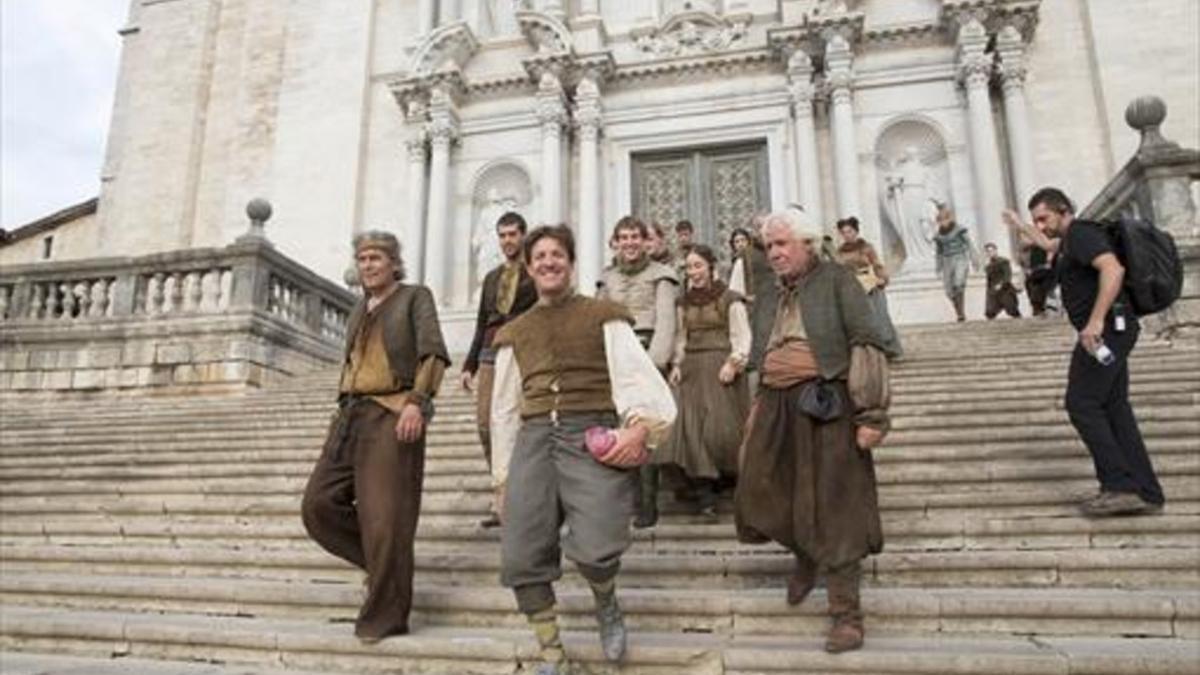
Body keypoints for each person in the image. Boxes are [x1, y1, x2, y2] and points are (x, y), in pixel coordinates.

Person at [490, 224, 677, 674]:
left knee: (597, 545)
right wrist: (501, 478)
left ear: (571, 264)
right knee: (521, 554)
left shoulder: (603, 315)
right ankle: (552, 654)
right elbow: (504, 409)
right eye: (540, 258)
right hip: (534, 441)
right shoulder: (515, 333)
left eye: (557, 255)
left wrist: (639, 428)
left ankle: (606, 600)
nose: (549, 263)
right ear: (530, 268)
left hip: (588, 433)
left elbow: (634, 375)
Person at [735, 208, 890, 654]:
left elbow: (866, 340)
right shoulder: (766, 292)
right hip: (775, 401)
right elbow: (759, 354)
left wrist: (873, 415)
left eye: (783, 244)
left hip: (828, 402)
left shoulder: (838, 279)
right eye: (770, 246)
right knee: (764, 487)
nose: (775, 253)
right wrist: (756, 406)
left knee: (837, 504)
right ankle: (805, 551)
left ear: (807, 243)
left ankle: (846, 614)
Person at [301, 231, 450, 643]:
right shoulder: (357, 308)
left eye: (376, 258)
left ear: (393, 263)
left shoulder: (414, 297)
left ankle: (385, 615)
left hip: (393, 411)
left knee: (385, 519)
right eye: (363, 258)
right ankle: (388, 571)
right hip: (350, 414)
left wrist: (418, 401)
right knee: (316, 506)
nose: (368, 265)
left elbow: (433, 352)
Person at [1012, 189, 1165, 516]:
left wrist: (1095, 322)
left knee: (1081, 402)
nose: (1040, 224)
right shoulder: (1070, 241)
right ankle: (1146, 491)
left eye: (1044, 218)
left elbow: (1113, 270)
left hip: (1107, 329)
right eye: (1035, 220)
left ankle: (1119, 485)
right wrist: (1019, 225)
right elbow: (1049, 245)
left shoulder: (1080, 233)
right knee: (1114, 407)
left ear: (1063, 210)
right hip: (1117, 328)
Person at [657, 244, 751, 521]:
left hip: (720, 366)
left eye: (698, 266)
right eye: (689, 267)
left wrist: (734, 362)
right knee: (687, 429)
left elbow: (741, 335)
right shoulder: (682, 302)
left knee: (718, 431)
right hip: (691, 369)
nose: (694, 272)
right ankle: (704, 495)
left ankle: (729, 481)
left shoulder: (730, 299)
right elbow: (681, 337)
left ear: (711, 267)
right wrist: (676, 364)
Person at [597, 216, 679, 528]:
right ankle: (623, 499)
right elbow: (598, 318)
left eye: (635, 237)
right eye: (624, 237)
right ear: (615, 243)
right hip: (615, 355)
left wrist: (655, 363)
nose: (629, 243)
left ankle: (647, 502)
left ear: (646, 242)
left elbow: (666, 321)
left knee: (645, 428)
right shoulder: (606, 279)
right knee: (617, 427)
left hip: (645, 354)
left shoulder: (662, 276)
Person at [460, 212, 538, 528]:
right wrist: (469, 364)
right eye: (502, 235)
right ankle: (502, 489)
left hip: (521, 349)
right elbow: (482, 320)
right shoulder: (492, 278)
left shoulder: (534, 273)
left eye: (512, 234)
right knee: (485, 424)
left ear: (523, 235)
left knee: (517, 423)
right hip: (491, 351)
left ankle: (515, 498)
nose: (507, 241)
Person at [835, 217, 904, 358]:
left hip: (871, 286)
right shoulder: (840, 252)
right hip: (853, 289)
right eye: (844, 232)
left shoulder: (866, 247)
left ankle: (889, 348)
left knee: (879, 317)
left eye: (850, 231)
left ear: (856, 231)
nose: (847, 235)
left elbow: (876, 263)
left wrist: (882, 278)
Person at [728, 217, 778, 374]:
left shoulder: (779, 252)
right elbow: (734, 292)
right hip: (756, 316)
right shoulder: (745, 257)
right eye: (759, 228)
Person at [932, 205, 978, 322]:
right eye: (940, 221)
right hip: (947, 260)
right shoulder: (938, 236)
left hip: (960, 257)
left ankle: (961, 314)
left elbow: (969, 244)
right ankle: (959, 311)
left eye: (945, 220)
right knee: (949, 291)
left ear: (949, 219)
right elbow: (939, 253)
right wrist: (938, 268)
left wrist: (974, 259)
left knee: (958, 283)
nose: (943, 223)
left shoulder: (959, 229)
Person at [982, 241, 1021, 320]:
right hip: (993, 292)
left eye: (991, 251)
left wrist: (1002, 284)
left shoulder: (1003, 262)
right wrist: (989, 292)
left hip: (1005, 290)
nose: (990, 253)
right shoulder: (988, 266)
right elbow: (989, 281)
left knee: (1012, 310)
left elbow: (1007, 275)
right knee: (990, 312)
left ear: (996, 251)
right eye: (988, 252)